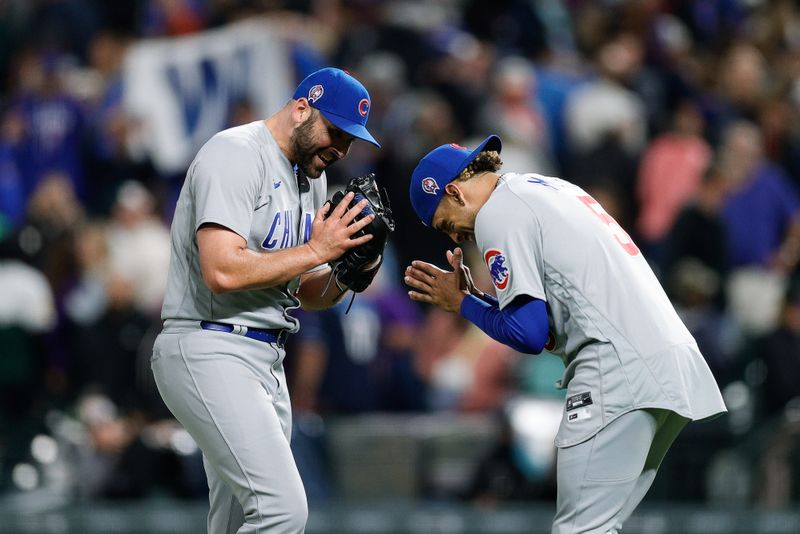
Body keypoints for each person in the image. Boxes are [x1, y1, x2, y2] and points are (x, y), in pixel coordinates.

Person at [404, 135, 727, 534]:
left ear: (454, 191)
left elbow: (528, 334)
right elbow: (547, 320)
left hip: (616, 370)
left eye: (446, 224)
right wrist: (475, 298)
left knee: (580, 530)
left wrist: (464, 305)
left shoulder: (496, 214)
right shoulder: (548, 188)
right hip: (666, 363)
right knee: (599, 528)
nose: (455, 238)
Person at [151, 67, 382, 533]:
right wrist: (318, 249)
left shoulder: (309, 177)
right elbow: (221, 269)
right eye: (334, 131)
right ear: (301, 109)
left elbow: (299, 288)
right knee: (282, 510)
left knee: (236, 519)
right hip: (209, 345)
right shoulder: (235, 154)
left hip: (265, 357)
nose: (339, 148)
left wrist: (348, 274)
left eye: (350, 140)